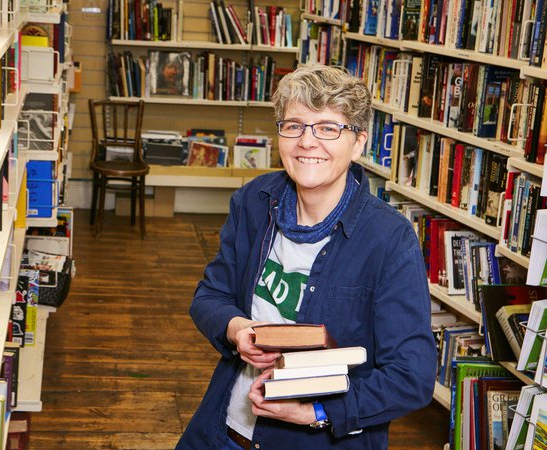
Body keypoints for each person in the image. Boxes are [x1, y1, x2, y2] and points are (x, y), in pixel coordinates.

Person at [175, 64, 437, 450]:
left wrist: (317, 411)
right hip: (224, 431)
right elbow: (209, 296)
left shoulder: (389, 239)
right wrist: (237, 330)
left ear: (359, 142)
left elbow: (411, 376)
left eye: (329, 127)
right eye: (294, 125)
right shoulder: (253, 201)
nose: (307, 142)